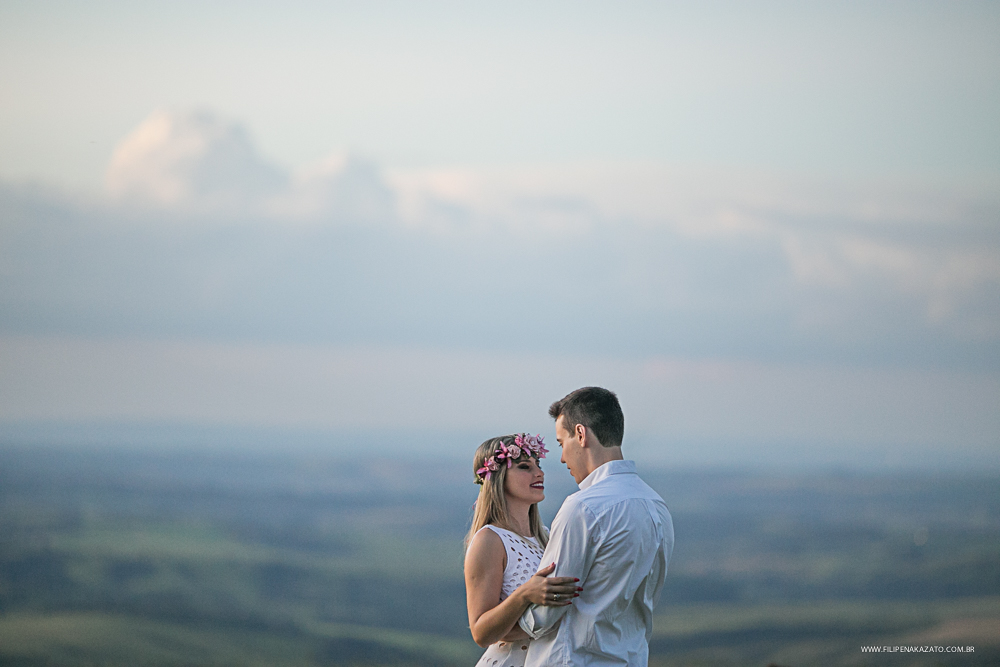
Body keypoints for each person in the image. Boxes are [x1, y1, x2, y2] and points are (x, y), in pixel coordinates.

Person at [519, 387, 674, 667]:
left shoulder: (582, 508)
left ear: (581, 434)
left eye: (561, 443)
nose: (562, 458)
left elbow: (544, 615)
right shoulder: (657, 507)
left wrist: (500, 617)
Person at [464, 433, 583, 667]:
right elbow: (481, 633)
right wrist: (524, 594)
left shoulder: (545, 536)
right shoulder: (489, 540)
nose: (539, 473)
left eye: (538, 465)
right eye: (524, 467)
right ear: (497, 477)